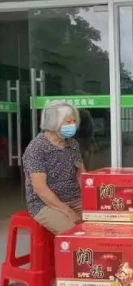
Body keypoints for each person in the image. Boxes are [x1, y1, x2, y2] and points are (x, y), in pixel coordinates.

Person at [22, 100, 85, 235]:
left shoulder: (72, 144)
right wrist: (68, 211)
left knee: (100, 225)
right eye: (68, 122)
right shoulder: (36, 148)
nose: (72, 125)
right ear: (53, 122)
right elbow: (41, 190)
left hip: (75, 198)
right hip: (46, 205)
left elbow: (81, 174)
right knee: (75, 234)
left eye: (74, 121)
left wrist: (90, 198)